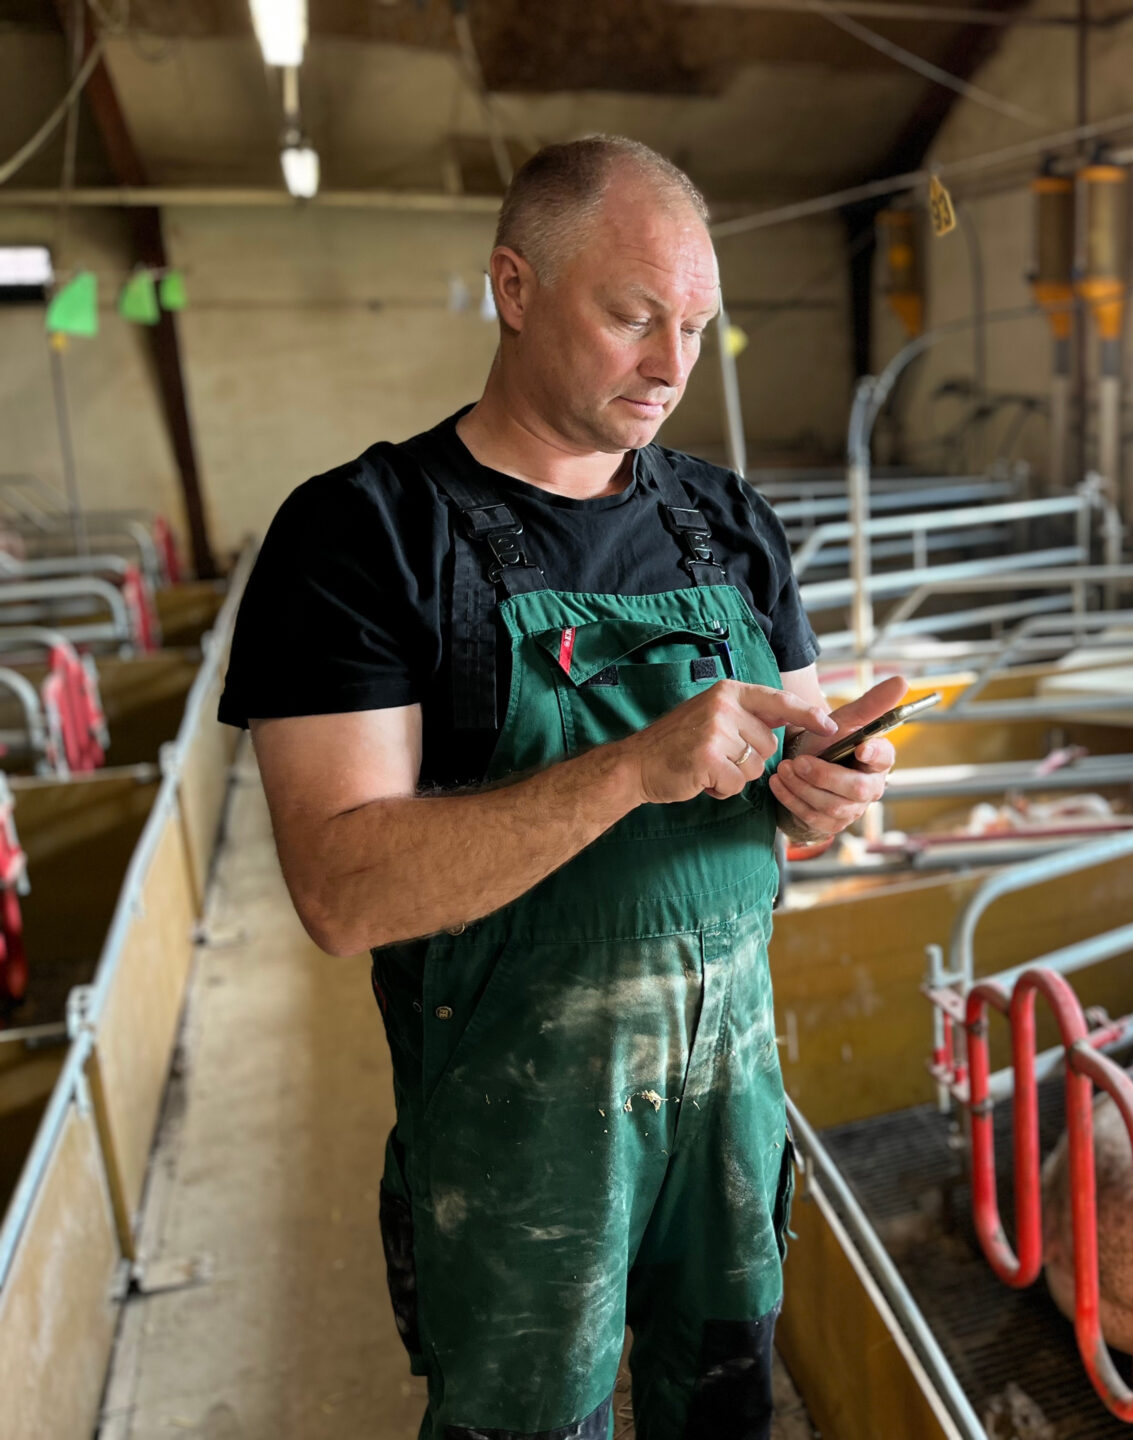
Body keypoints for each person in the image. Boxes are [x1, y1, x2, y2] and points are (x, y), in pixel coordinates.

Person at [218, 134, 905, 1440]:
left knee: (725, 1409)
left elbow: (790, 791)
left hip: (728, 1110)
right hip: (520, 1140)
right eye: (632, 317)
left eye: (695, 327)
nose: (672, 366)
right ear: (515, 288)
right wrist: (633, 768)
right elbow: (341, 892)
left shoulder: (729, 522)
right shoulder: (365, 534)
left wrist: (827, 789)